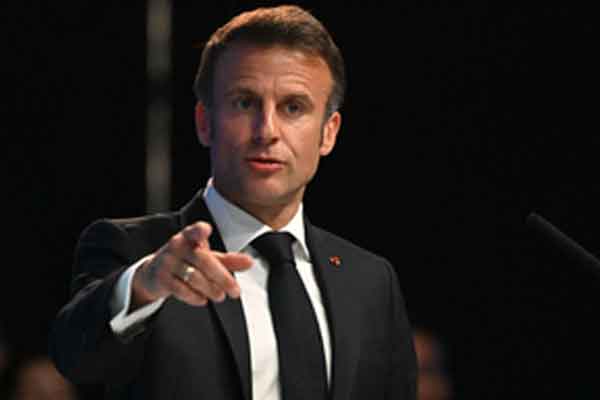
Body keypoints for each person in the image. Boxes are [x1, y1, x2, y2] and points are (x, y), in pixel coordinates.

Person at [49, 5, 417, 400]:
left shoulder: (371, 281)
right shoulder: (138, 253)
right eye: (244, 103)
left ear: (329, 133)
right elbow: (74, 356)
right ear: (204, 122)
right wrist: (144, 283)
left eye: (293, 107)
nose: (267, 131)